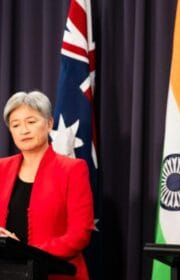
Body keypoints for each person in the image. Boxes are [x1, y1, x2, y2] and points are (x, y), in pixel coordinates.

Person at [0, 91, 94, 279]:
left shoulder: (73, 169)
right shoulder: (1, 168)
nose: (23, 130)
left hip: (56, 274)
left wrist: (28, 252)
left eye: (31, 122)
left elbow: (80, 233)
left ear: (49, 124)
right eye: (15, 125)